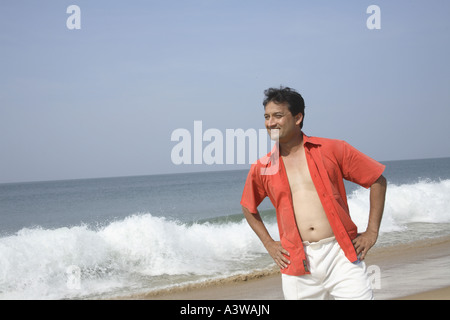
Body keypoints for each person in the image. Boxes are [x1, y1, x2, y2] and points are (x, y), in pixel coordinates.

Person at [240, 86, 387, 300]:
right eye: (267, 117)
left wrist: (372, 232)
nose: (270, 123)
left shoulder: (332, 149)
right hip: (296, 262)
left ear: (298, 117)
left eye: (278, 115)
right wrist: (269, 244)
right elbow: (247, 206)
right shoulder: (262, 167)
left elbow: (377, 179)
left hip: (342, 254)